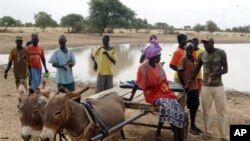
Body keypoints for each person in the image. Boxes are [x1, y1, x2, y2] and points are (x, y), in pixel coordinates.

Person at [124, 45, 184, 140]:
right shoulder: (142, 68)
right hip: (150, 92)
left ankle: (173, 125)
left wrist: (165, 90)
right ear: (153, 57)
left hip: (161, 90)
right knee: (165, 105)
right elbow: (137, 83)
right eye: (159, 56)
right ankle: (158, 132)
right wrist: (131, 97)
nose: (160, 58)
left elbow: (164, 80)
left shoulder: (158, 66)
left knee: (175, 103)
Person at [188, 38, 228, 141]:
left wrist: (216, 73)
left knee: (222, 112)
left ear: (212, 42)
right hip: (206, 86)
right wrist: (189, 81)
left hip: (218, 86)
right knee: (206, 111)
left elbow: (226, 70)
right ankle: (208, 133)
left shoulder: (221, 53)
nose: (205, 45)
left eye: (207, 43)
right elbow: (196, 69)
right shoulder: (202, 55)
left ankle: (224, 136)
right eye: (204, 44)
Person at [177, 42, 202, 135]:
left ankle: (193, 125)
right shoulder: (183, 59)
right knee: (192, 106)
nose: (189, 52)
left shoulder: (194, 59)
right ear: (185, 50)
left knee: (195, 106)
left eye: (191, 50)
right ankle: (191, 127)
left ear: (193, 51)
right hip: (188, 87)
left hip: (194, 86)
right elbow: (179, 72)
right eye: (188, 50)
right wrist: (184, 85)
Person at [48, 35, 78, 102]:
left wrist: (70, 65)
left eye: (62, 42)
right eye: (60, 42)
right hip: (61, 79)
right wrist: (61, 66)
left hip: (70, 78)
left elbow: (73, 62)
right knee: (62, 97)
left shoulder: (70, 51)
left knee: (72, 96)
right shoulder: (56, 52)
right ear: (58, 42)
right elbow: (53, 64)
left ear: (66, 41)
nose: (61, 43)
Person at [169, 33, 187, 108]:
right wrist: (180, 71)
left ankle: (180, 109)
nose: (186, 41)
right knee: (181, 93)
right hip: (179, 76)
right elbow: (171, 65)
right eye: (184, 39)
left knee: (183, 94)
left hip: (184, 76)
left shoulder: (184, 50)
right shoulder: (177, 51)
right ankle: (176, 108)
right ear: (180, 41)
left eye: (186, 39)